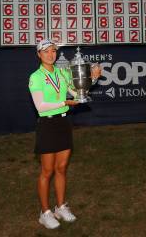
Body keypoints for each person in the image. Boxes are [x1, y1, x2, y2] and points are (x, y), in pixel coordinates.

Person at [28, 38, 101, 229]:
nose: (50, 54)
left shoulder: (61, 73)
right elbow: (41, 106)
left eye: (53, 51)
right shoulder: (35, 77)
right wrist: (65, 103)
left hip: (63, 123)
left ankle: (60, 206)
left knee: (61, 168)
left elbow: (77, 93)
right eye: (46, 52)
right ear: (39, 54)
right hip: (47, 124)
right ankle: (44, 212)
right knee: (47, 171)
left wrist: (92, 79)